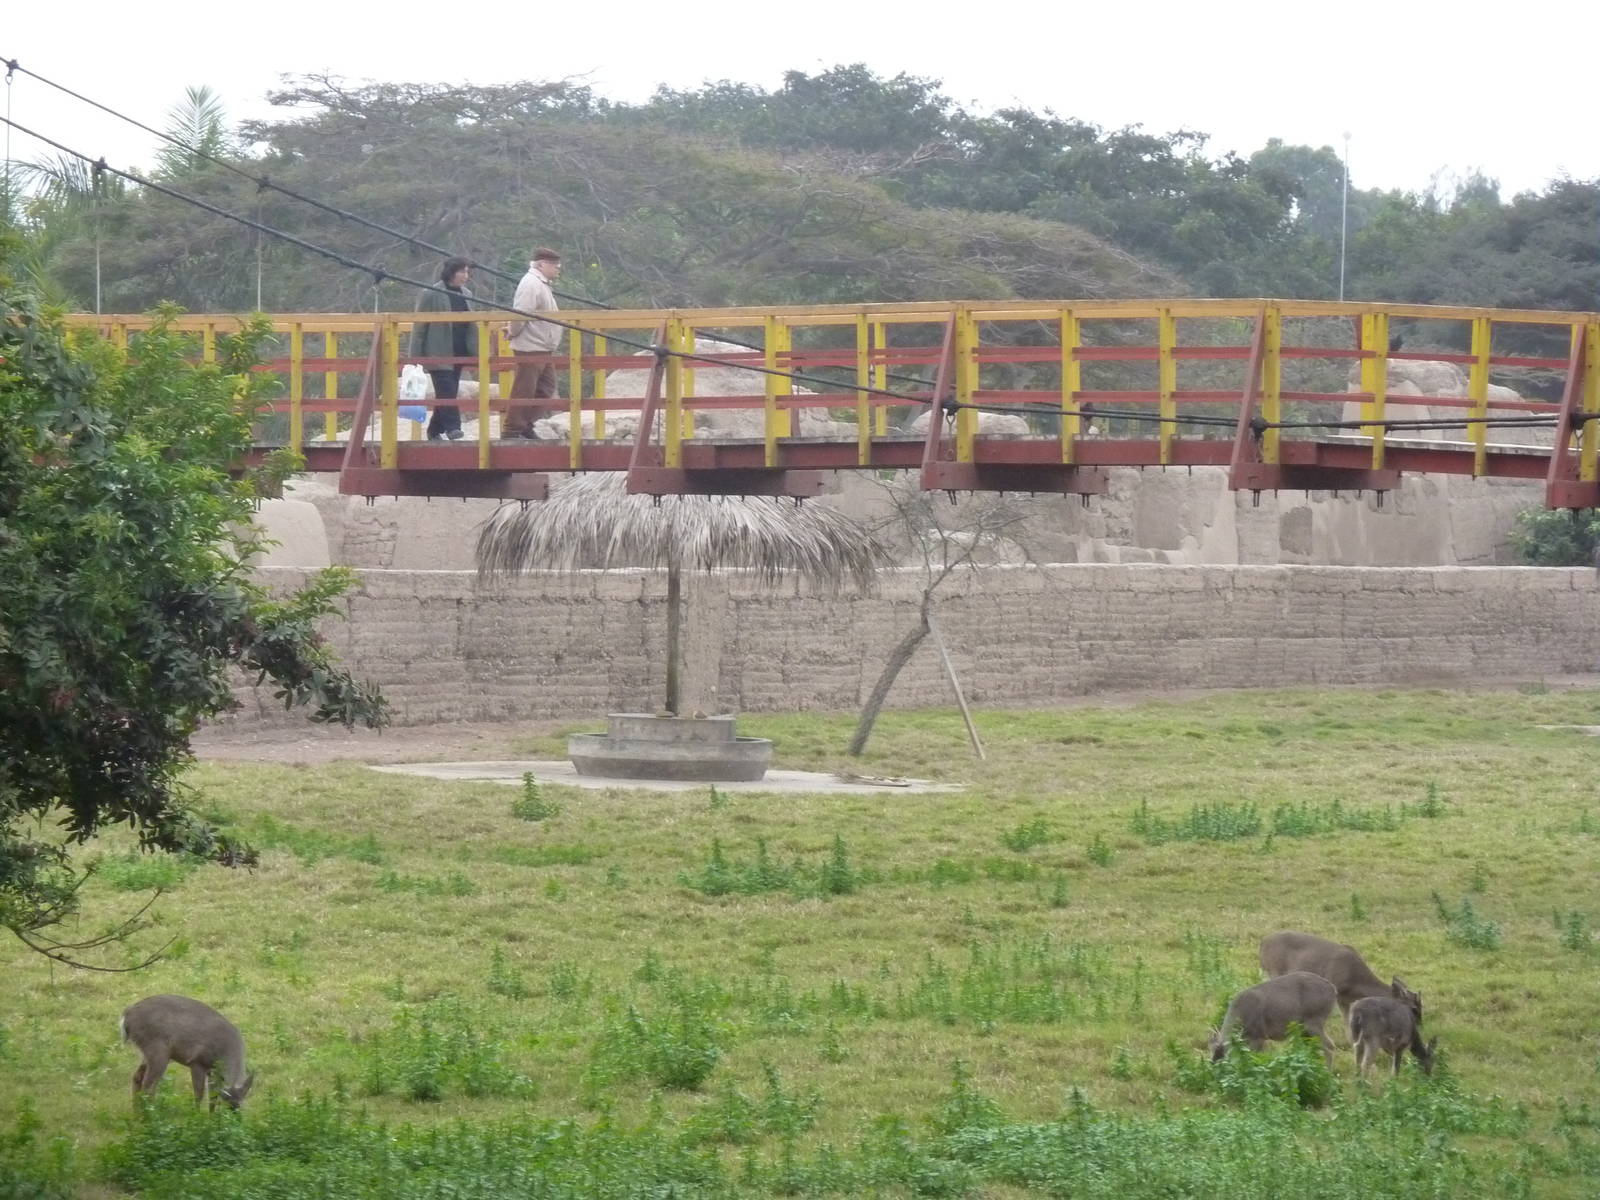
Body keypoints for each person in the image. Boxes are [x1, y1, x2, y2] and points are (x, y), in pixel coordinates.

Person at [409, 257, 478, 440]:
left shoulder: (467, 294)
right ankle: (453, 428)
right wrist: (415, 357)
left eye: (467, 272)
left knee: (448, 391)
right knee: (447, 390)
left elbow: (472, 325)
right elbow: (419, 328)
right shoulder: (430, 294)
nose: (466, 275)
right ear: (451, 272)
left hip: (460, 350)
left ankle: (434, 430)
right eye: (462, 271)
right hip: (438, 351)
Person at [503, 248, 563, 437]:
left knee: (545, 388)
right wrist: (513, 331)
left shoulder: (542, 284)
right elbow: (521, 313)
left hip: (543, 347)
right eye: (554, 265)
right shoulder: (531, 284)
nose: (557, 269)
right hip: (530, 346)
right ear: (542, 264)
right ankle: (512, 430)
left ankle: (526, 424)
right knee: (525, 389)